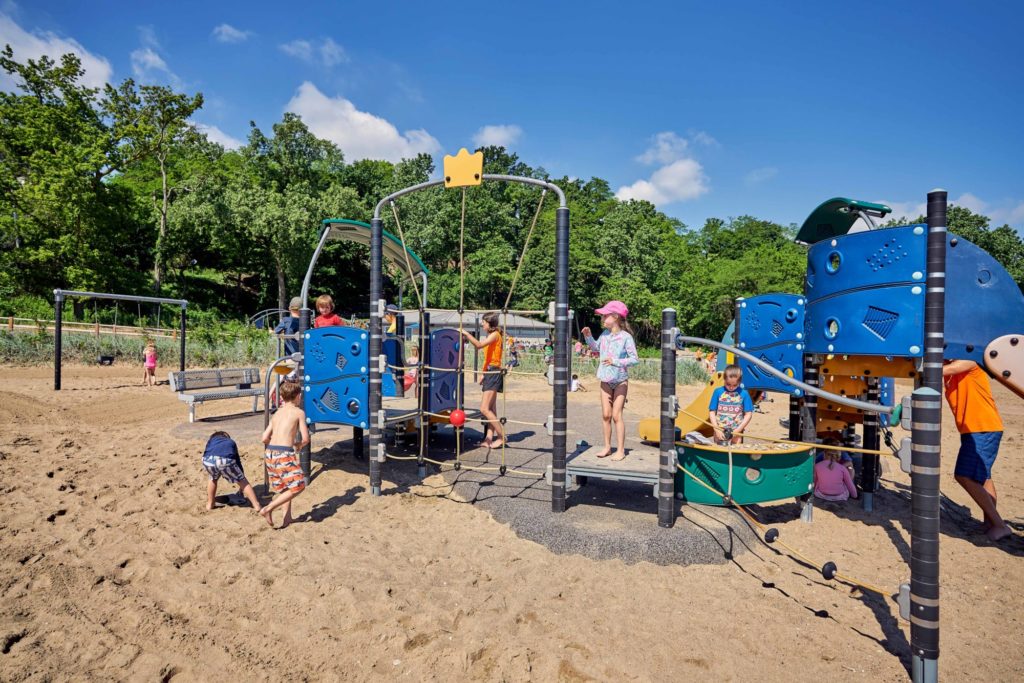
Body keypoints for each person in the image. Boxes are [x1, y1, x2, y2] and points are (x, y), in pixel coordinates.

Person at [943, 359, 1011, 541]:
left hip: (983, 427)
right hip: (975, 429)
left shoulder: (970, 362)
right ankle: (990, 522)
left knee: (964, 475)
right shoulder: (949, 373)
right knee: (984, 476)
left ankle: (1000, 525)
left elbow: (954, 366)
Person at [582, 300, 639, 461]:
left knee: (616, 415)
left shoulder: (626, 337)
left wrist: (616, 361)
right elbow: (595, 348)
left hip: (620, 380)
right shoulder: (605, 335)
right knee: (606, 415)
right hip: (605, 380)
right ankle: (607, 447)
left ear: (615, 317)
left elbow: (634, 359)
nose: (602, 318)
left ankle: (620, 450)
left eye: (605, 315)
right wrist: (588, 337)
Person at [259, 381, 310, 529]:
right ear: (298, 396)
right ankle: (268, 508)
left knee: (285, 489)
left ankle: (287, 518)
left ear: (281, 396)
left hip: (270, 453)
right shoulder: (299, 412)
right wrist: (299, 445)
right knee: (299, 486)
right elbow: (306, 438)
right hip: (284, 454)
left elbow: (264, 438)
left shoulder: (277, 413)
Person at [459, 312, 506, 449]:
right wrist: (483, 373)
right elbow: (490, 357)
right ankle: (489, 438)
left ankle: (502, 437)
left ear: (490, 324)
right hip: (490, 372)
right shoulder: (492, 335)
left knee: (484, 409)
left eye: (484, 322)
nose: (482, 324)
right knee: (491, 409)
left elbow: (479, 345)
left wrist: (466, 334)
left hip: (494, 373)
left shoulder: (495, 335)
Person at [202, 431, 261, 511]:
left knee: (212, 478)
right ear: (227, 437)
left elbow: (207, 452)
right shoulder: (231, 442)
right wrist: (241, 475)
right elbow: (237, 461)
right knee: (242, 480)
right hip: (225, 459)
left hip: (207, 460)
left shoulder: (211, 441)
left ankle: (210, 503)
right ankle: (256, 505)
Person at [708, 364, 754, 445]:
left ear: (739, 382)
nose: (731, 387)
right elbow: (712, 411)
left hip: (736, 430)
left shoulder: (744, 394)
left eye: (735, 385)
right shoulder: (718, 392)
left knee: (735, 452)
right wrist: (716, 429)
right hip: (720, 429)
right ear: (724, 379)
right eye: (728, 384)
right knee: (719, 451)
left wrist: (738, 430)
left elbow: (748, 414)